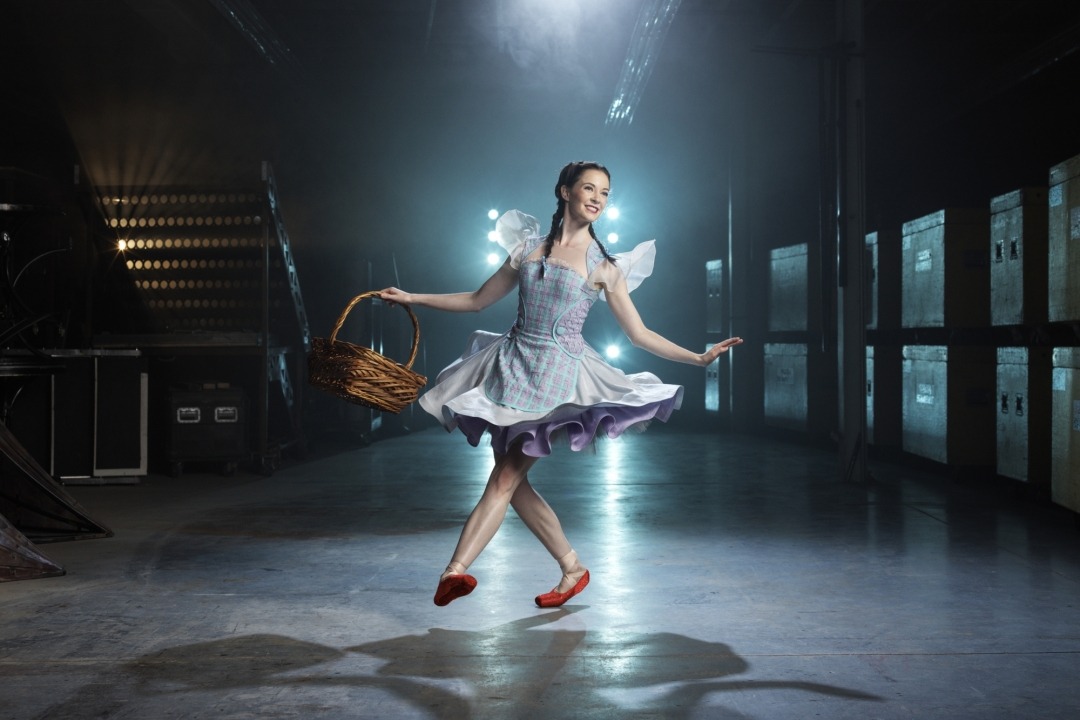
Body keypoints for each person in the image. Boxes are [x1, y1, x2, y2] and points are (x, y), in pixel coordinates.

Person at [379, 161, 742, 608]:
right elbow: (476, 300)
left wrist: (698, 357)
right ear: (565, 192)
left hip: (558, 381)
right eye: (589, 188)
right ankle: (572, 568)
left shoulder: (604, 266)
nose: (597, 199)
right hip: (510, 368)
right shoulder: (527, 249)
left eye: (605, 193)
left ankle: (455, 570)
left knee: (505, 477)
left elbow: (638, 334)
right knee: (512, 484)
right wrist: (411, 297)